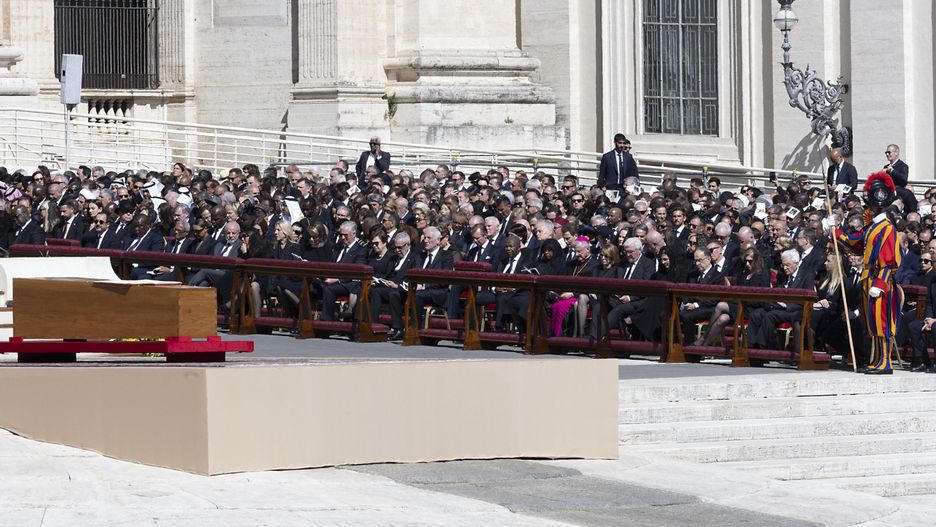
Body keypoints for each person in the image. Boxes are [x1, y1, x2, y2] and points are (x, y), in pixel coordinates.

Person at [832, 171, 902, 374]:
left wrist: (880, 284)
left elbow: (890, 262)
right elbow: (855, 243)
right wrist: (835, 231)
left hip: (880, 282)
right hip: (868, 278)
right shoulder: (872, 227)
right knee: (871, 324)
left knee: (882, 323)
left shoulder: (887, 228)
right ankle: (877, 359)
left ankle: (885, 362)